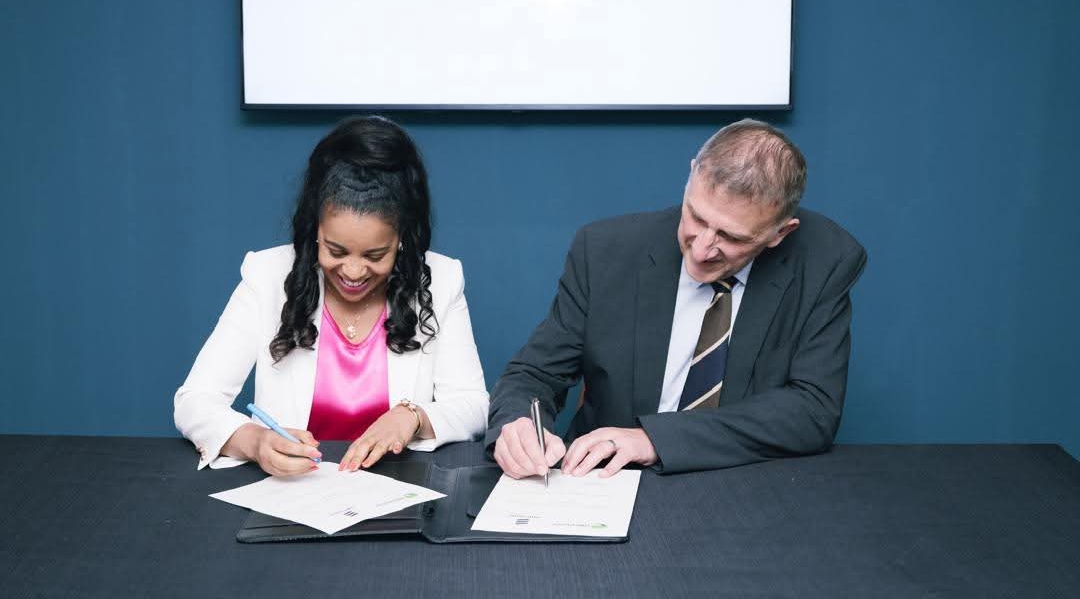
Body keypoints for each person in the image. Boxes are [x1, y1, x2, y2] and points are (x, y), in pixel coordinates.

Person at [488, 119, 867, 477]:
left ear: (780, 233)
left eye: (731, 237)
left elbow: (812, 410)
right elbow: (534, 374)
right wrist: (518, 424)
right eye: (696, 218)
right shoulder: (605, 251)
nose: (701, 249)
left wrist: (655, 439)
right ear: (691, 176)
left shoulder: (825, 263)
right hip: (605, 482)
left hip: (742, 486)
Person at [175, 116, 488, 475]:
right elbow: (194, 401)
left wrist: (412, 417)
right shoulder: (267, 276)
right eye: (336, 251)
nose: (353, 272)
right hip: (292, 493)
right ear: (315, 231)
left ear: (401, 239)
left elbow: (474, 405)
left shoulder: (441, 280)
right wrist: (255, 442)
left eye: (375, 256)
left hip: (399, 493)